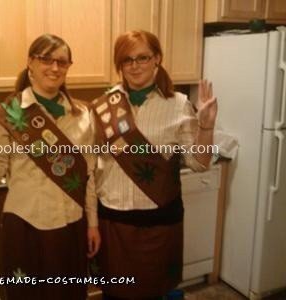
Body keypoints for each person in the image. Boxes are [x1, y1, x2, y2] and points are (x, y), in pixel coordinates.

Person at [0, 34, 100, 300]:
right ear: (30, 63)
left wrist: (92, 223)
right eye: (46, 59)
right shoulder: (10, 113)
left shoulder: (82, 115)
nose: (54, 67)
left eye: (62, 62)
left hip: (71, 226)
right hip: (26, 229)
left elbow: (88, 174)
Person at [92, 30, 217, 300]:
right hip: (114, 222)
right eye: (127, 60)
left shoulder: (178, 105)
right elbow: (93, 166)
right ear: (119, 65)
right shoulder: (102, 107)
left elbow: (200, 163)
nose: (135, 66)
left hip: (160, 222)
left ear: (156, 59)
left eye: (142, 57)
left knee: (155, 292)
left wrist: (206, 126)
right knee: (116, 293)